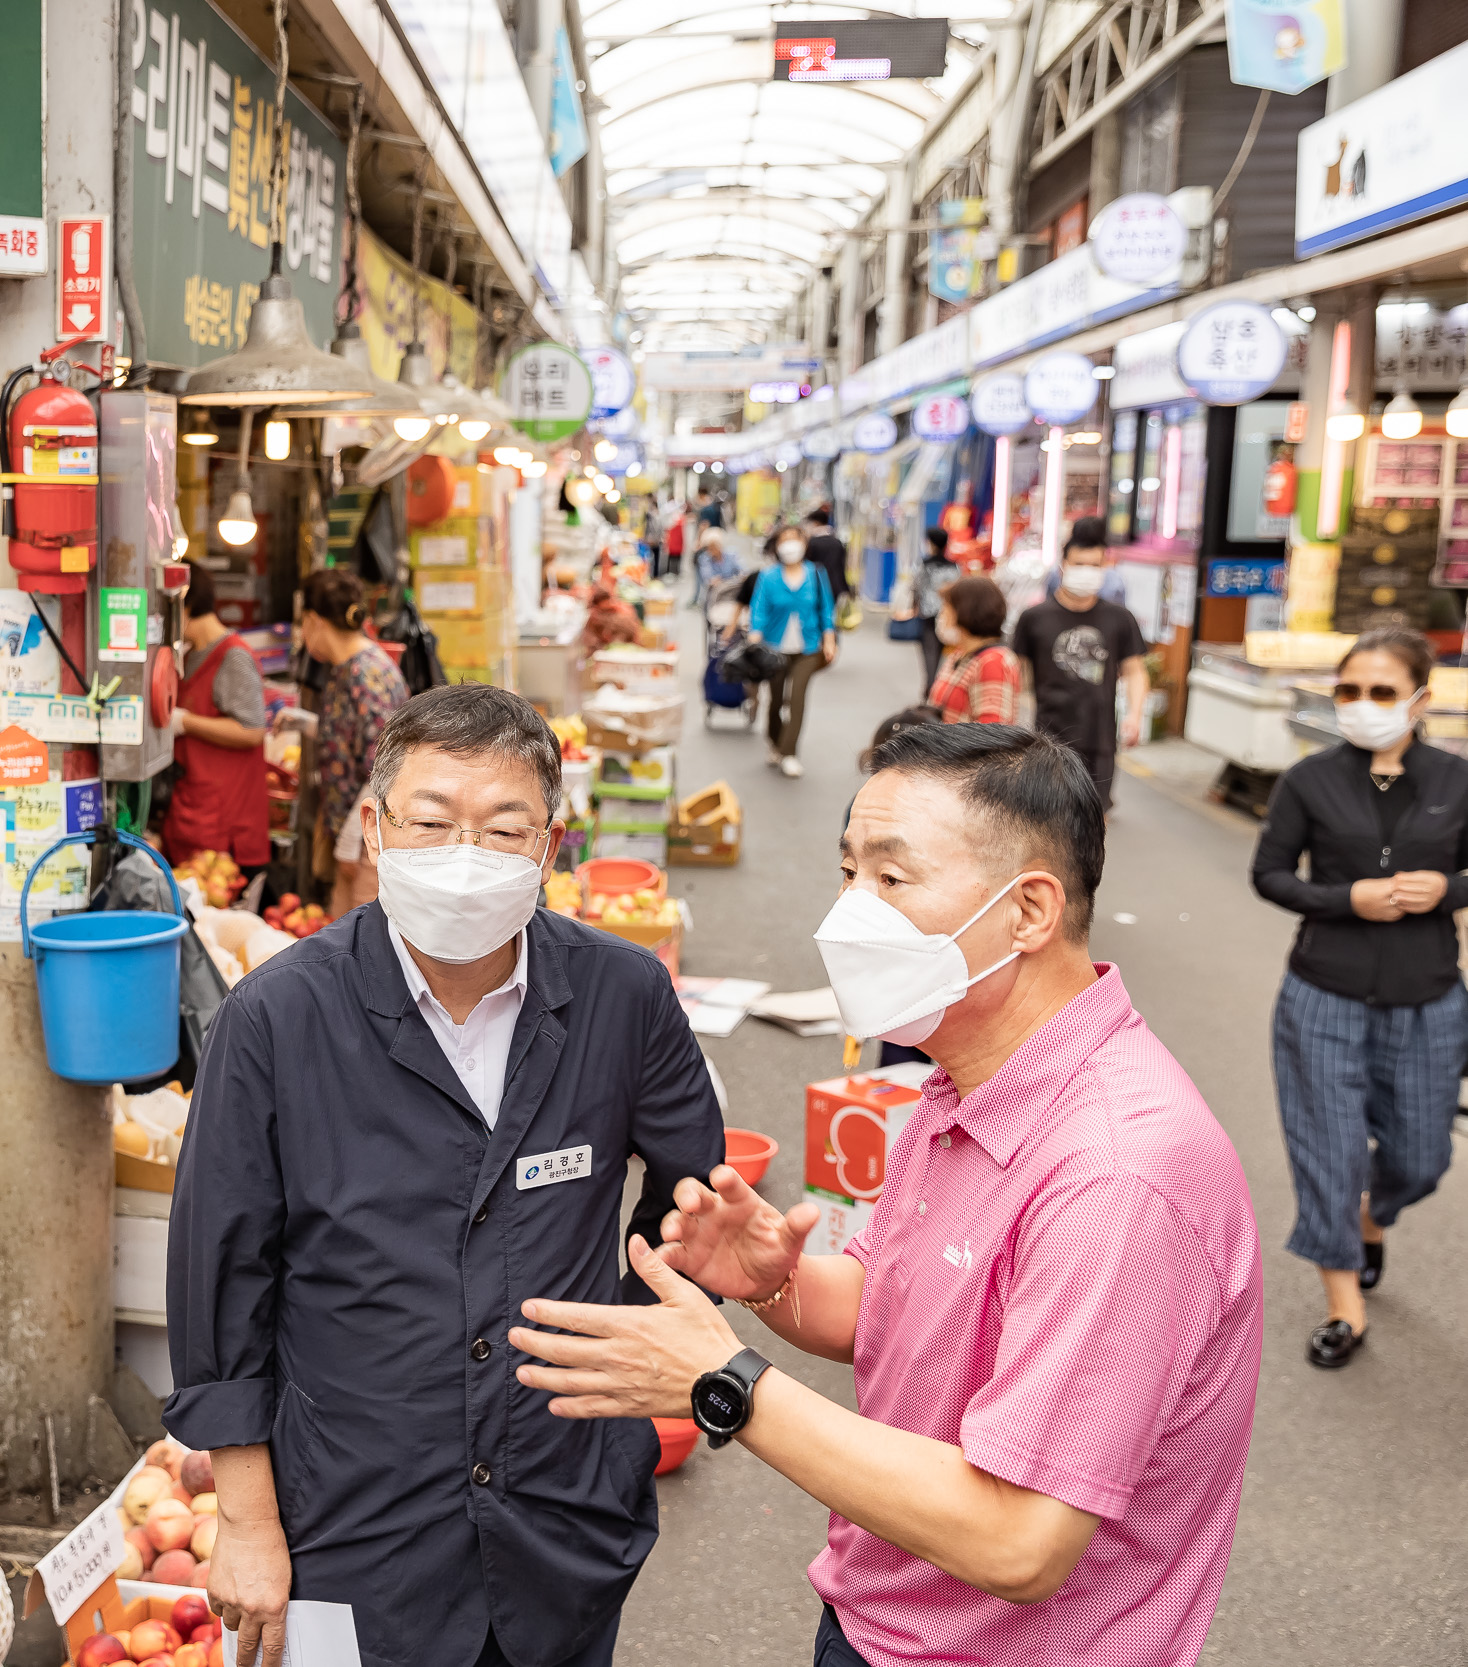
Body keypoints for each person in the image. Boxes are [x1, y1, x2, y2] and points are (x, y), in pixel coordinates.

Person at [512, 723, 1263, 1667]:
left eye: (891, 878)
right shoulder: (968, 1079)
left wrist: (723, 1381)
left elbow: (1020, 1538)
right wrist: (771, 1281)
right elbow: (895, 1309)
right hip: (884, 1624)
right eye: (847, 871)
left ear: (1030, 909)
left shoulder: (1117, 1175)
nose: (845, 913)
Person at [166, 683, 724, 1667]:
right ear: (375, 831)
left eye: (503, 827)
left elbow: (694, 1196)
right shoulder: (275, 1017)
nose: (464, 854)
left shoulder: (622, 996)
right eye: (430, 821)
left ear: (550, 848)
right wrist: (248, 1519)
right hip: (352, 1518)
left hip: (562, 1511)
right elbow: (221, 1279)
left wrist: (630, 1370)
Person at [1251, 626, 1468, 1369]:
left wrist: (1448, 889)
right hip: (1323, 995)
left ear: (1418, 699)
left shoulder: (1455, 779)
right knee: (1329, 1153)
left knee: (1421, 1155)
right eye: (1349, 691)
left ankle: (1374, 1217)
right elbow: (1271, 874)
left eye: (1381, 691)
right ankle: (1345, 1304)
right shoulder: (1308, 780)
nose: (1363, 705)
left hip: (1430, 998)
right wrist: (1348, 897)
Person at [1010, 519, 1147, 808]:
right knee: (1050, 819)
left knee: (1095, 820)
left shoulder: (1120, 619)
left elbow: (1135, 671)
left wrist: (1135, 715)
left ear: (1105, 567)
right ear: (1063, 564)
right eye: (1079, 564)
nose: (1087, 572)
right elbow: (1016, 673)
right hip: (1048, 739)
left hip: (1100, 740)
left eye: (1095, 566)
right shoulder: (1034, 618)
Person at [300, 567, 408, 920]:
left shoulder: (367, 673)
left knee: (367, 946)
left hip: (373, 841)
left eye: (303, 623)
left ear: (314, 620)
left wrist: (350, 838)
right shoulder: (348, 667)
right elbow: (356, 736)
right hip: (360, 833)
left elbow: (385, 766)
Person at [167, 564, 273, 902]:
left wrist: (185, 721)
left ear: (184, 604)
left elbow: (252, 729)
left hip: (226, 824)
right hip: (193, 810)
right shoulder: (190, 654)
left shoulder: (233, 657)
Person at [747, 526, 837, 778]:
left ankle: (789, 752)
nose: (789, 546)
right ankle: (775, 742)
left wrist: (829, 639)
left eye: (793, 540)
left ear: (804, 543)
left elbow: (826, 610)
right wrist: (755, 634)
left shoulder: (816, 574)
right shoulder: (769, 577)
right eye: (784, 541)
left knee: (796, 699)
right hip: (774, 649)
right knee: (775, 701)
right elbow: (759, 608)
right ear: (776, 546)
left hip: (807, 649)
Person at [924, 575, 1021, 724]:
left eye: (946, 609)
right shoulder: (960, 655)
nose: (941, 615)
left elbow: (992, 734)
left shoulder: (993, 662)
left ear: (964, 612)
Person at [909, 525, 959, 691]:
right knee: (943, 651)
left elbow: (916, 586)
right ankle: (938, 685)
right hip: (947, 613)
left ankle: (931, 687)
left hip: (928, 613)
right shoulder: (954, 566)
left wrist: (913, 606)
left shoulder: (924, 565)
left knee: (929, 651)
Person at [802, 508, 851, 623]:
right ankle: (831, 638)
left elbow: (806, 566)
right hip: (835, 586)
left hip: (816, 584)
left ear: (815, 523)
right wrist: (845, 588)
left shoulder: (811, 543)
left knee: (816, 617)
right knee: (830, 616)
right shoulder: (837, 542)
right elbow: (842, 566)